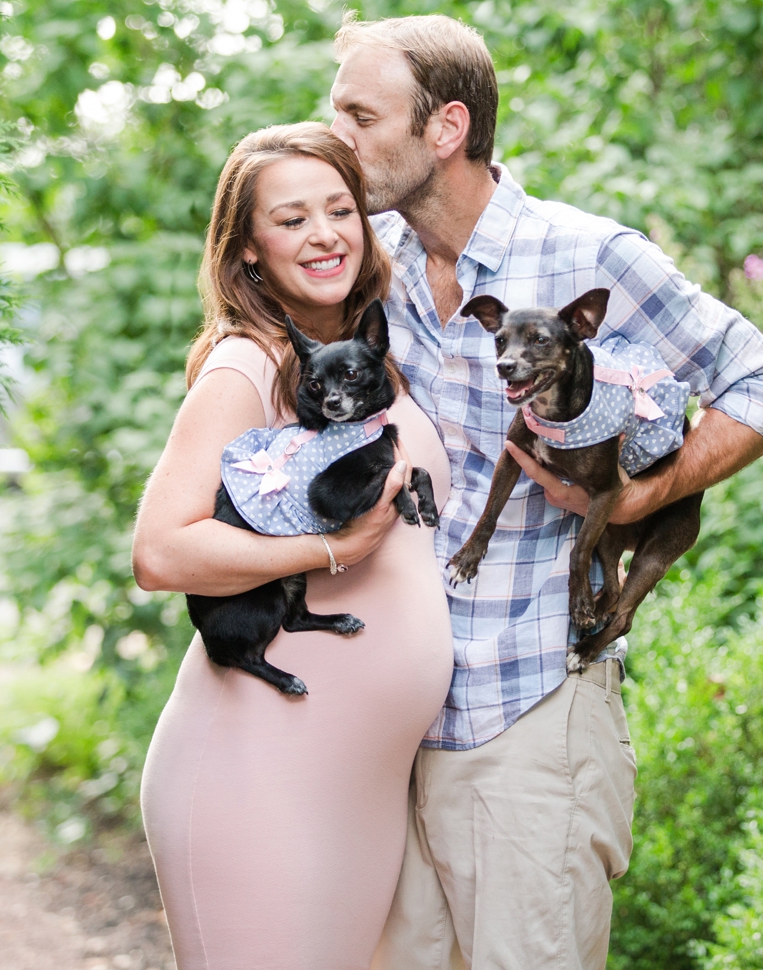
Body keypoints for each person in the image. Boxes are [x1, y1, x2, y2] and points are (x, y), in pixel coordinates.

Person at [330, 15, 763, 969]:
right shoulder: (367, 255)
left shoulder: (590, 257)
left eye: (358, 114)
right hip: (389, 720)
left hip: (527, 710)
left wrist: (640, 495)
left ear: (445, 129)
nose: (335, 136)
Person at [131, 123, 454, 970]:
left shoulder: (362, 363)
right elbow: (161, 551)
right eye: (292, 219)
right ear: (248, 253)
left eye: (340, 209)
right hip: (259, 769)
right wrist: (330, 551)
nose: (324, 235)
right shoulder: (247, 366)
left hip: (356, 785)